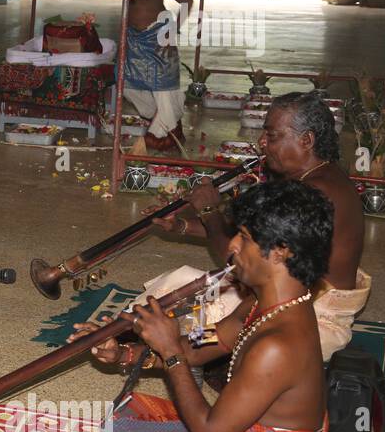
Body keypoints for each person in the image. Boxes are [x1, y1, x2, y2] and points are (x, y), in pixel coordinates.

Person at [70, 180, 333, 432]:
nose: (232, 248)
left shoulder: (279, 345)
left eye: (244, 237)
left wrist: (170, 352)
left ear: (282, 251)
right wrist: (124, 354)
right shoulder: (263, 304)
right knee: (129, 410)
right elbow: (200, 347)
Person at [153, 92, 368, 360]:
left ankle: (181, 355)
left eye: (272, 135)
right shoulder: (318, 178)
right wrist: (183, 225)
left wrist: (209, 211)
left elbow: (238, 260)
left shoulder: (313, 192)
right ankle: (181, 351)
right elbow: (253, 241)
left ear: (307, 140)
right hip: (283, 299)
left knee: (185, 316)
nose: (261, 142)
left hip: (309, 315)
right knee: (180, 291)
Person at [122, 0, 192, 154]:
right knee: (127, 84)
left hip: (157, 37)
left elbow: (186, 0)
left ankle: (160, 130)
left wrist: (174, 30)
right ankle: (165, 121)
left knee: (162, 89)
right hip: (134, 38)